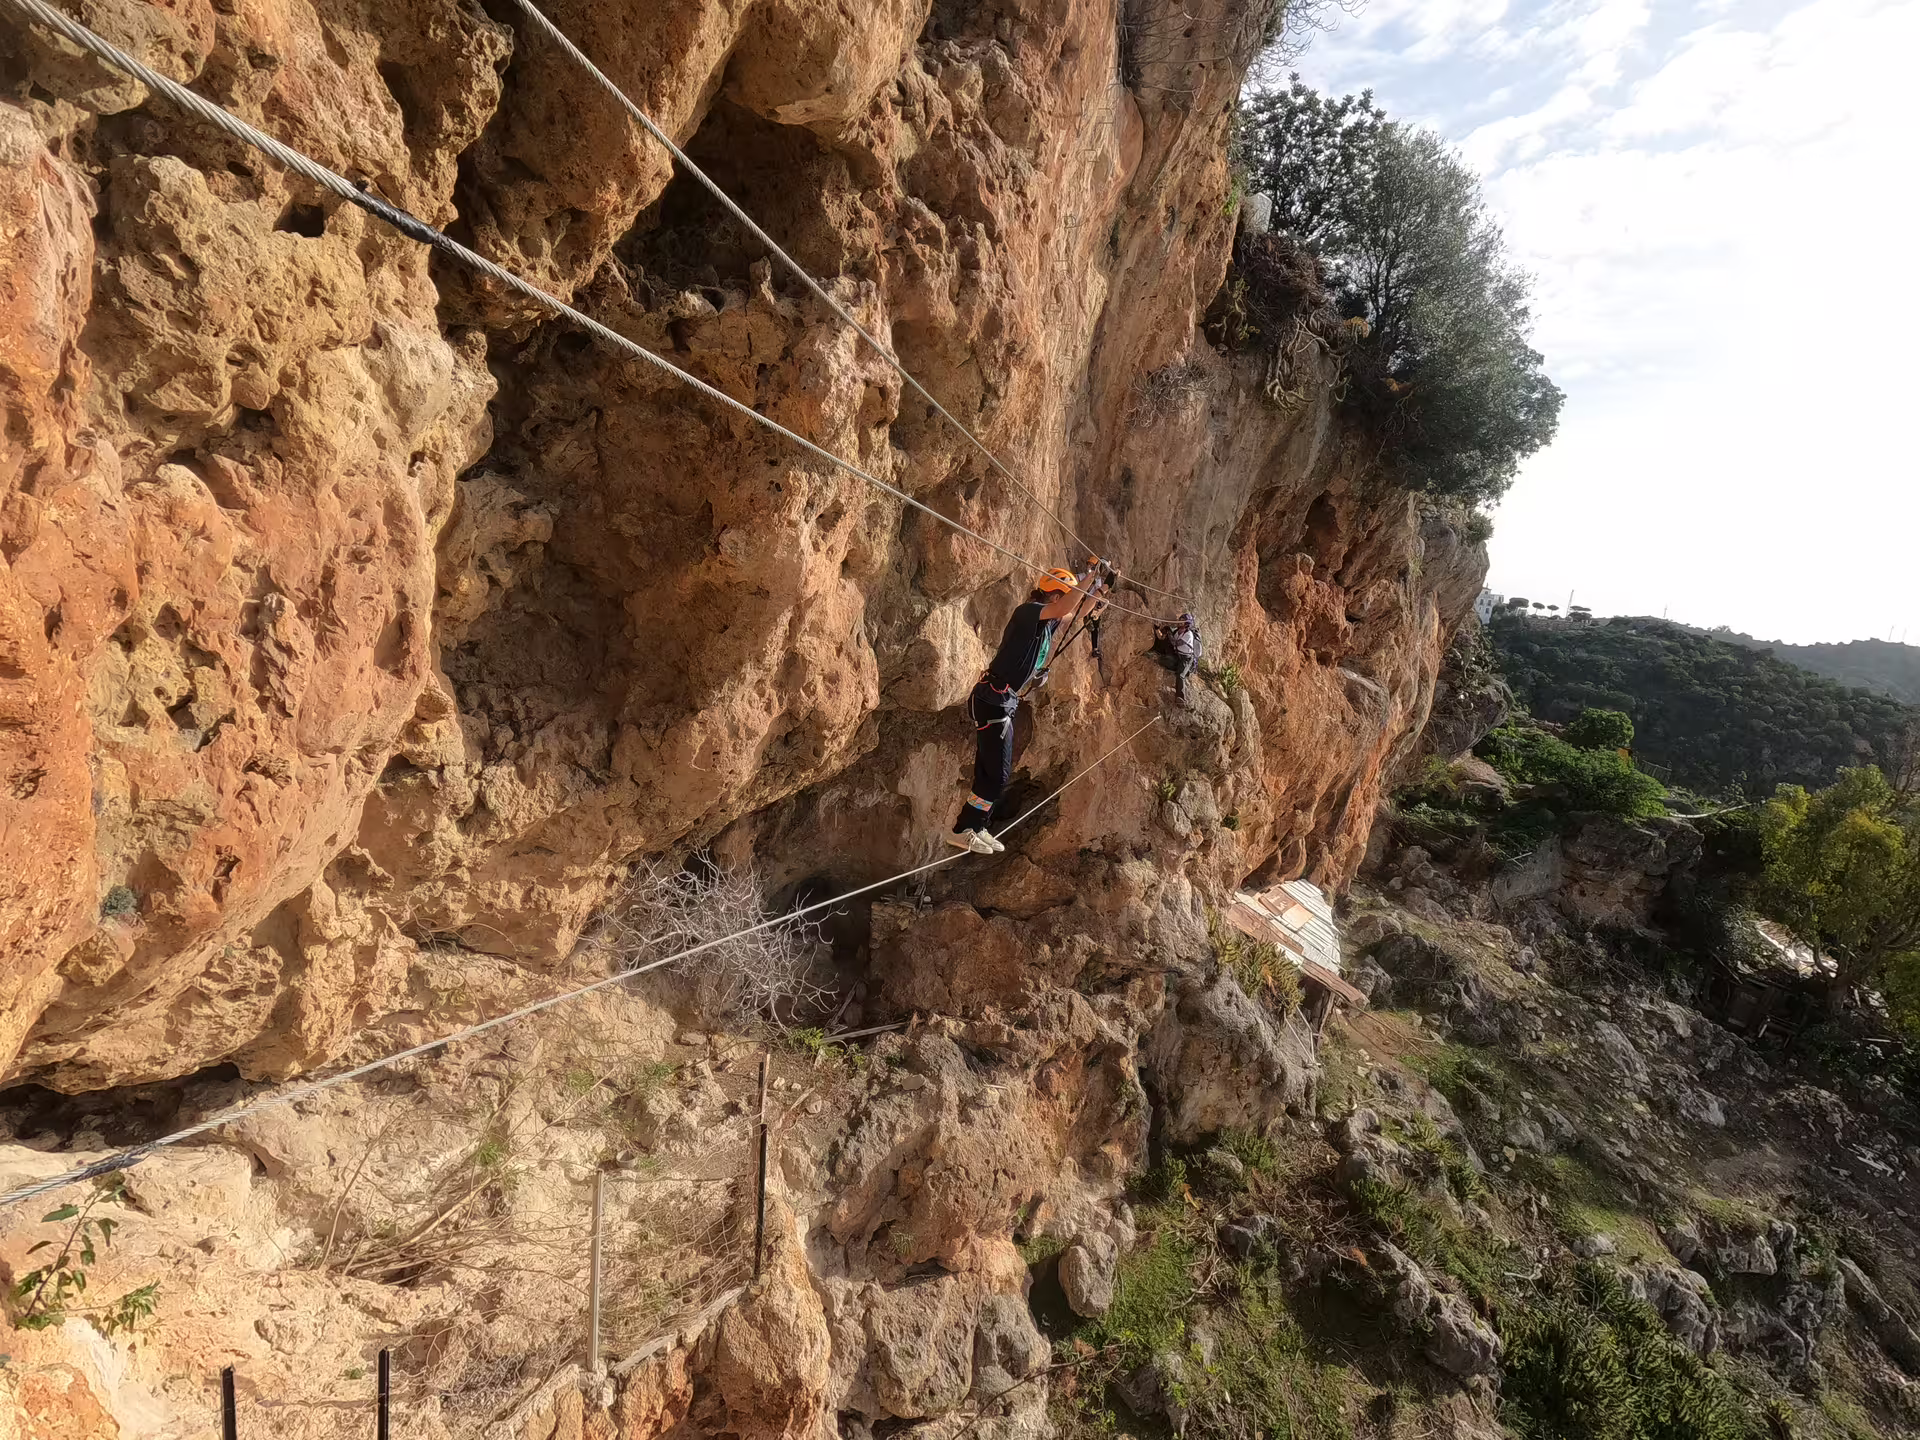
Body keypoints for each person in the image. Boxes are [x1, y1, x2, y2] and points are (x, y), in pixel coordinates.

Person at [948, 567, 1097, 854]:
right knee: (997, 773)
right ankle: (965, 828)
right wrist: (1089, 579)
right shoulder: (1029, 612)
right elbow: (1066, 606)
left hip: (1001, 700)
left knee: (990, 772)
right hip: (993, 698)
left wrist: (1099, 591)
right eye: (1061, 596)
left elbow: (1075, 614)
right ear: (1052, 593)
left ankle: (975, 826)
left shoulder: (1046, 622)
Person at [1151, 612, 1202, 700]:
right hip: (1178, 656)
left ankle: (1181, 698)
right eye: (1180, 620)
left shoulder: (1188, 634)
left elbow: (1177, 643)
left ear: (1187, 624)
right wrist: (1157, 629)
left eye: (1182, 621)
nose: (1180, 622)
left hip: (1186, 659)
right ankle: (1174, 666)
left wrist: (1169, 634)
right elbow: (1162, 637)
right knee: (1163, 660)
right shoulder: (1177, 632)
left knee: (1180, 675)